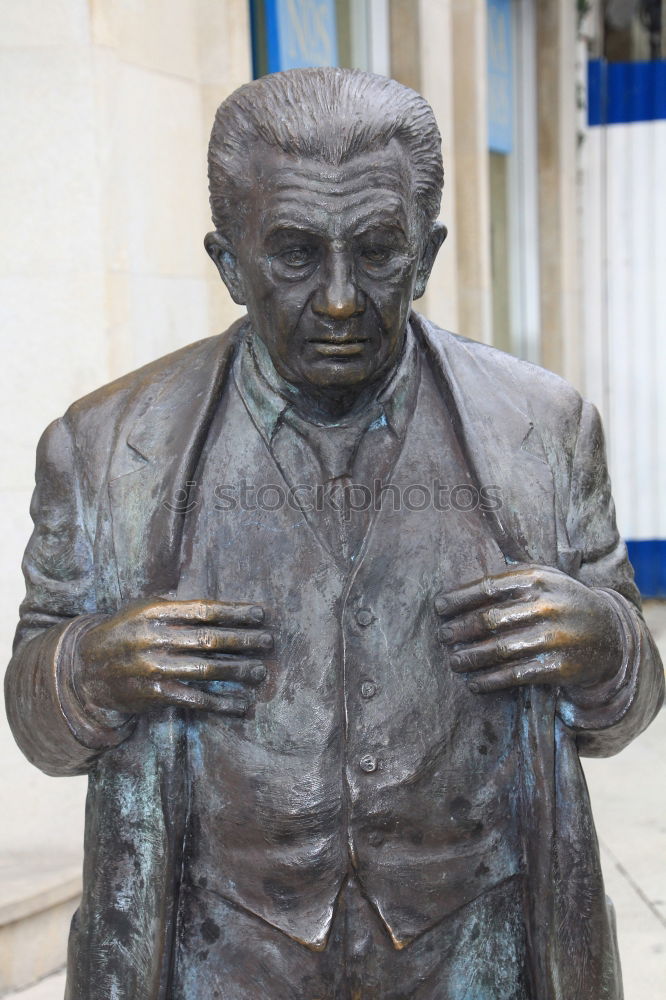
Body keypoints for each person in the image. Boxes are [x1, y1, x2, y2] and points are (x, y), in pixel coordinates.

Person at [5, 68, 663, 1000]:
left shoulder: (542, 430)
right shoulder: (109, 448)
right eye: (295, 255)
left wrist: (605, 648)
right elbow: (39, 725)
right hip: (222, 961)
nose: (344, 299)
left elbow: (623, 711)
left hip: (475, 952)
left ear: (427, 253)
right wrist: (87, 668)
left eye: (378, 252)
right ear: (228, 262)